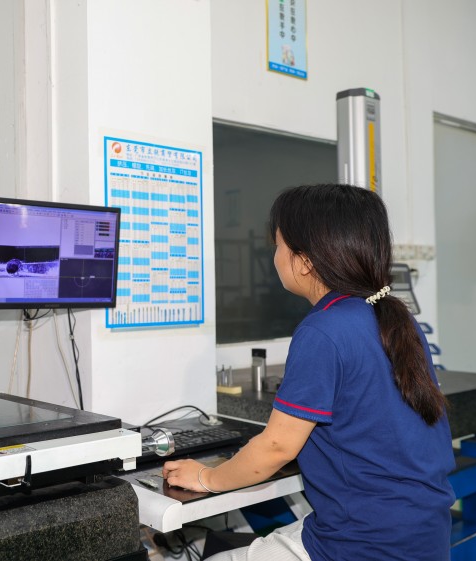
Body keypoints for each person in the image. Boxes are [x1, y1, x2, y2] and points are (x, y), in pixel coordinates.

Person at [162, 184, 455, 560]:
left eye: (278, 245)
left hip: (365, 544)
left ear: (304, 262)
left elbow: (276, 448)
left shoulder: (324, 330)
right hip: (424, 533)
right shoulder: (393, 317)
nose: (274, 257)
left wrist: (205, 477)